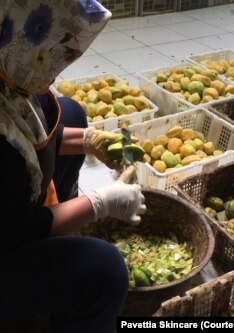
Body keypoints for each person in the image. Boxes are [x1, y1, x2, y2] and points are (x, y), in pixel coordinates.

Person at [0, 1, 146, 332]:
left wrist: (89, 139)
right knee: (103, 271)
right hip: (6, 236)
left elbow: (28, 134)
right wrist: (100, 203)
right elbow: (17, 228)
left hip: (9, 207)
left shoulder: (7, 66)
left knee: (71, 112)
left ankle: (58, 250)